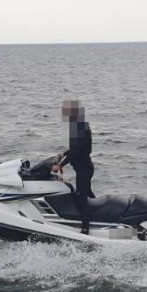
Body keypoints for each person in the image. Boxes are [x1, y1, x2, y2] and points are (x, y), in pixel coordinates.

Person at [52, 100, 95, 234]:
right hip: (85, 168)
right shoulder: (80, 126)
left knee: (81, 197)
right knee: (87, 193)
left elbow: (76, 152)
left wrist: (60, 165)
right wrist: (63, 154)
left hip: (84, 169)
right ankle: (99, 215)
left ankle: (85, 228)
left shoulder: (79, 128)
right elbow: (76, 149)